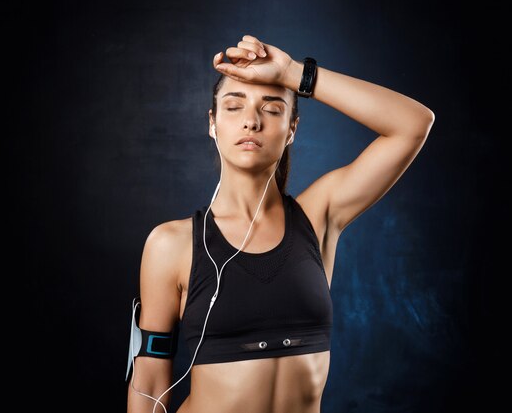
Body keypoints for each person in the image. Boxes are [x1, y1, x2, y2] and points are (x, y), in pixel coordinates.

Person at [126, 34, 435, 413]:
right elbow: (150, 380)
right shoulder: (171, 244)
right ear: (213, 124)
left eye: (272, 109)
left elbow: (413, 124)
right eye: (233, 107)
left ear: (292, 129)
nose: (251, 122)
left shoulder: (319, 216)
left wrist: (293, 73)